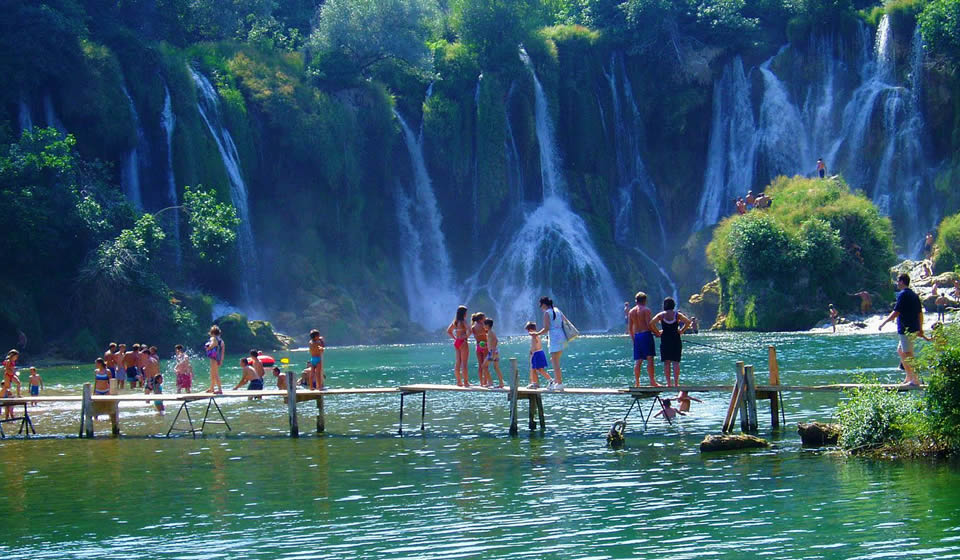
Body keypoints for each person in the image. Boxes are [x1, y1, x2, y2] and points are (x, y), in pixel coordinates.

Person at [879, 273, 925, 386]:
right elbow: (920, 313)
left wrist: (884, 322)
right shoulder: (914, 295)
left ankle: (916, 380)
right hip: (912, 328)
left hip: (906, 329)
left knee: (908, 353)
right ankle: (909, 377)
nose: (897, 283)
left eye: (898, 281)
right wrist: (920, 328)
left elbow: (896, 312)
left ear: (902, 282)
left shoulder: (903, 294)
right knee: (901, 351)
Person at [650, 297, 692, 387]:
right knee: (676, 362)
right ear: (673, 305)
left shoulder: (661, 315)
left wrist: (657, 332)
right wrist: (681, 330)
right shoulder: (677, 315)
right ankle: (676, 383)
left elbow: (651, 323)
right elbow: (688, 322)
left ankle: (668, 383)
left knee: (667, 362)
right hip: (676, 339)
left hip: (665, 339)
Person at [628, 292, 659, 387]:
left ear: (636, 300)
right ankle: (652, 381)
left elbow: (630, 328)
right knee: (650, 359)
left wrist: (633, 339)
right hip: (646, 335)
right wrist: (657, 333)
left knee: (638, 360)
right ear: (645, 300)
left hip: (637, 336)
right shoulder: (646, 310)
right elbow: (649, 324)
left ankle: (637, 382)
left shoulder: (631, 312)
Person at [536, 296, 567, 390]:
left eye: (541, 306)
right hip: (562, 336)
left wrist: (536, 334)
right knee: (554, 360)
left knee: (555, 362)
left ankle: (559, 383)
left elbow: (546, 328)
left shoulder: (547, 313)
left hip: (554, 338)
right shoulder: (557, 310)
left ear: (544, 305)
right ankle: (557, 382)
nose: (541, 308)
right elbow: (564, 321)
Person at [446, 305, 471, 387]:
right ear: (464, 313)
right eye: (466, 313)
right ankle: (466, 382)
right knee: (464, 363)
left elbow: (448, 331)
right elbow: (470, 330)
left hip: (457, 342)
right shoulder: (463, 321)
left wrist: (455, 338)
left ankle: (459, 382)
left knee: (458, 362)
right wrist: (466, 336)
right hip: (463, 342)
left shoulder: (455, 322)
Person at [525, 321, 553, 389]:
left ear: (530, 329)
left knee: (540, 369)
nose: (528, 332)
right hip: (536, 353)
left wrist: (531, 352)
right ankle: (534, 383)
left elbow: (533, 335)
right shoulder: (535, 335)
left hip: (537, 353)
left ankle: (551, 381)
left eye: (528, 330)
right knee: (533, 369)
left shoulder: (534, 335)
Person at [484, 318, 505, 388]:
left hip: (492, 352)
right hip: (495, 351)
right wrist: (487, 345)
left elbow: (496, 340)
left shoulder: (490, 332)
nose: (484, 326)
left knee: (484, 366)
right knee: (496, 367)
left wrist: (492, 350)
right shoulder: (491, 332)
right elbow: (494, 341)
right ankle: (501, 383)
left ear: (487, 325)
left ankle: (490, 382)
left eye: (484, 325)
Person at [472, 312, 490, 387]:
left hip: (478, 345)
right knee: (485, 365)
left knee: (480, 365)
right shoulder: (483, 326)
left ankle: (481, 383)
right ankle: (485, 382)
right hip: (485, 345)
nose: (485, 319)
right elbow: (488, 332)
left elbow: (475, 336)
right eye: (484, 318)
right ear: (480, 319)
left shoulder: (473, 327)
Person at [204, 326, 224, 394]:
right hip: (218, 358)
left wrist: (207, 347)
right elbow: (222, 352)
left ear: (212, 332)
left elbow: (212, 346)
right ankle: (212, 388)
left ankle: (220, 389)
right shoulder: (221, 341)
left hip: (214, 358)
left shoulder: (213, 338)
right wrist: (221, 360)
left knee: (215, 373)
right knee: (213, 373)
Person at [3, 350, 22, 419]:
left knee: (18, 383)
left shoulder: (13, 362)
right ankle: (4, 396)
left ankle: (18, 394)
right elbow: (6, 369)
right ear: (12, 356)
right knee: (7, 387)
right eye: (16, 356)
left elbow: (12, 368)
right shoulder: (8, 361)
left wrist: (14, 371)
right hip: (7, 375)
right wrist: (11, 372)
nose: (16, 358)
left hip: (12, 374)